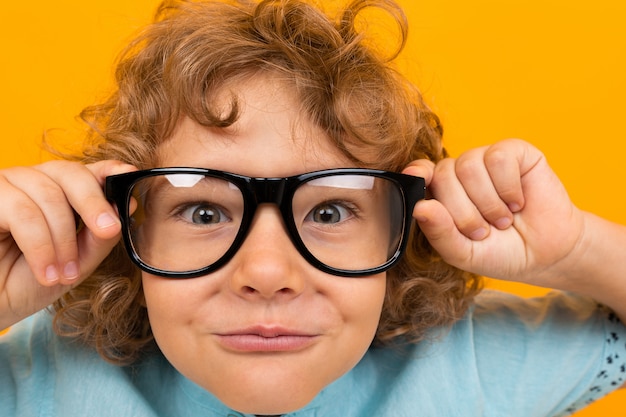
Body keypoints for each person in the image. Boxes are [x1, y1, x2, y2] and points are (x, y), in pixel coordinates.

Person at [0, 0, 625, 416]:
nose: (267, 274)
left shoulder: (469, 365)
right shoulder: (35, 374)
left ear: (403, 231)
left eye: (329, 212)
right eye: (203, 212)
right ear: (124, 228)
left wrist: (576, 252)